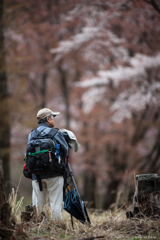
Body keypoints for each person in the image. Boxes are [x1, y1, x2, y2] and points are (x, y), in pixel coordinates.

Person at [27, 108, 68, 221]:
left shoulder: (31, 134)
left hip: (36, 175)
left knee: (36, 205)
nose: (54, 119)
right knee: (55, 203)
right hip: (54, 174)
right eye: (53, 117)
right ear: (48, 119)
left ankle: (35, 227)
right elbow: (65, 151)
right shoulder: (55, 133)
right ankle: (57, 228)